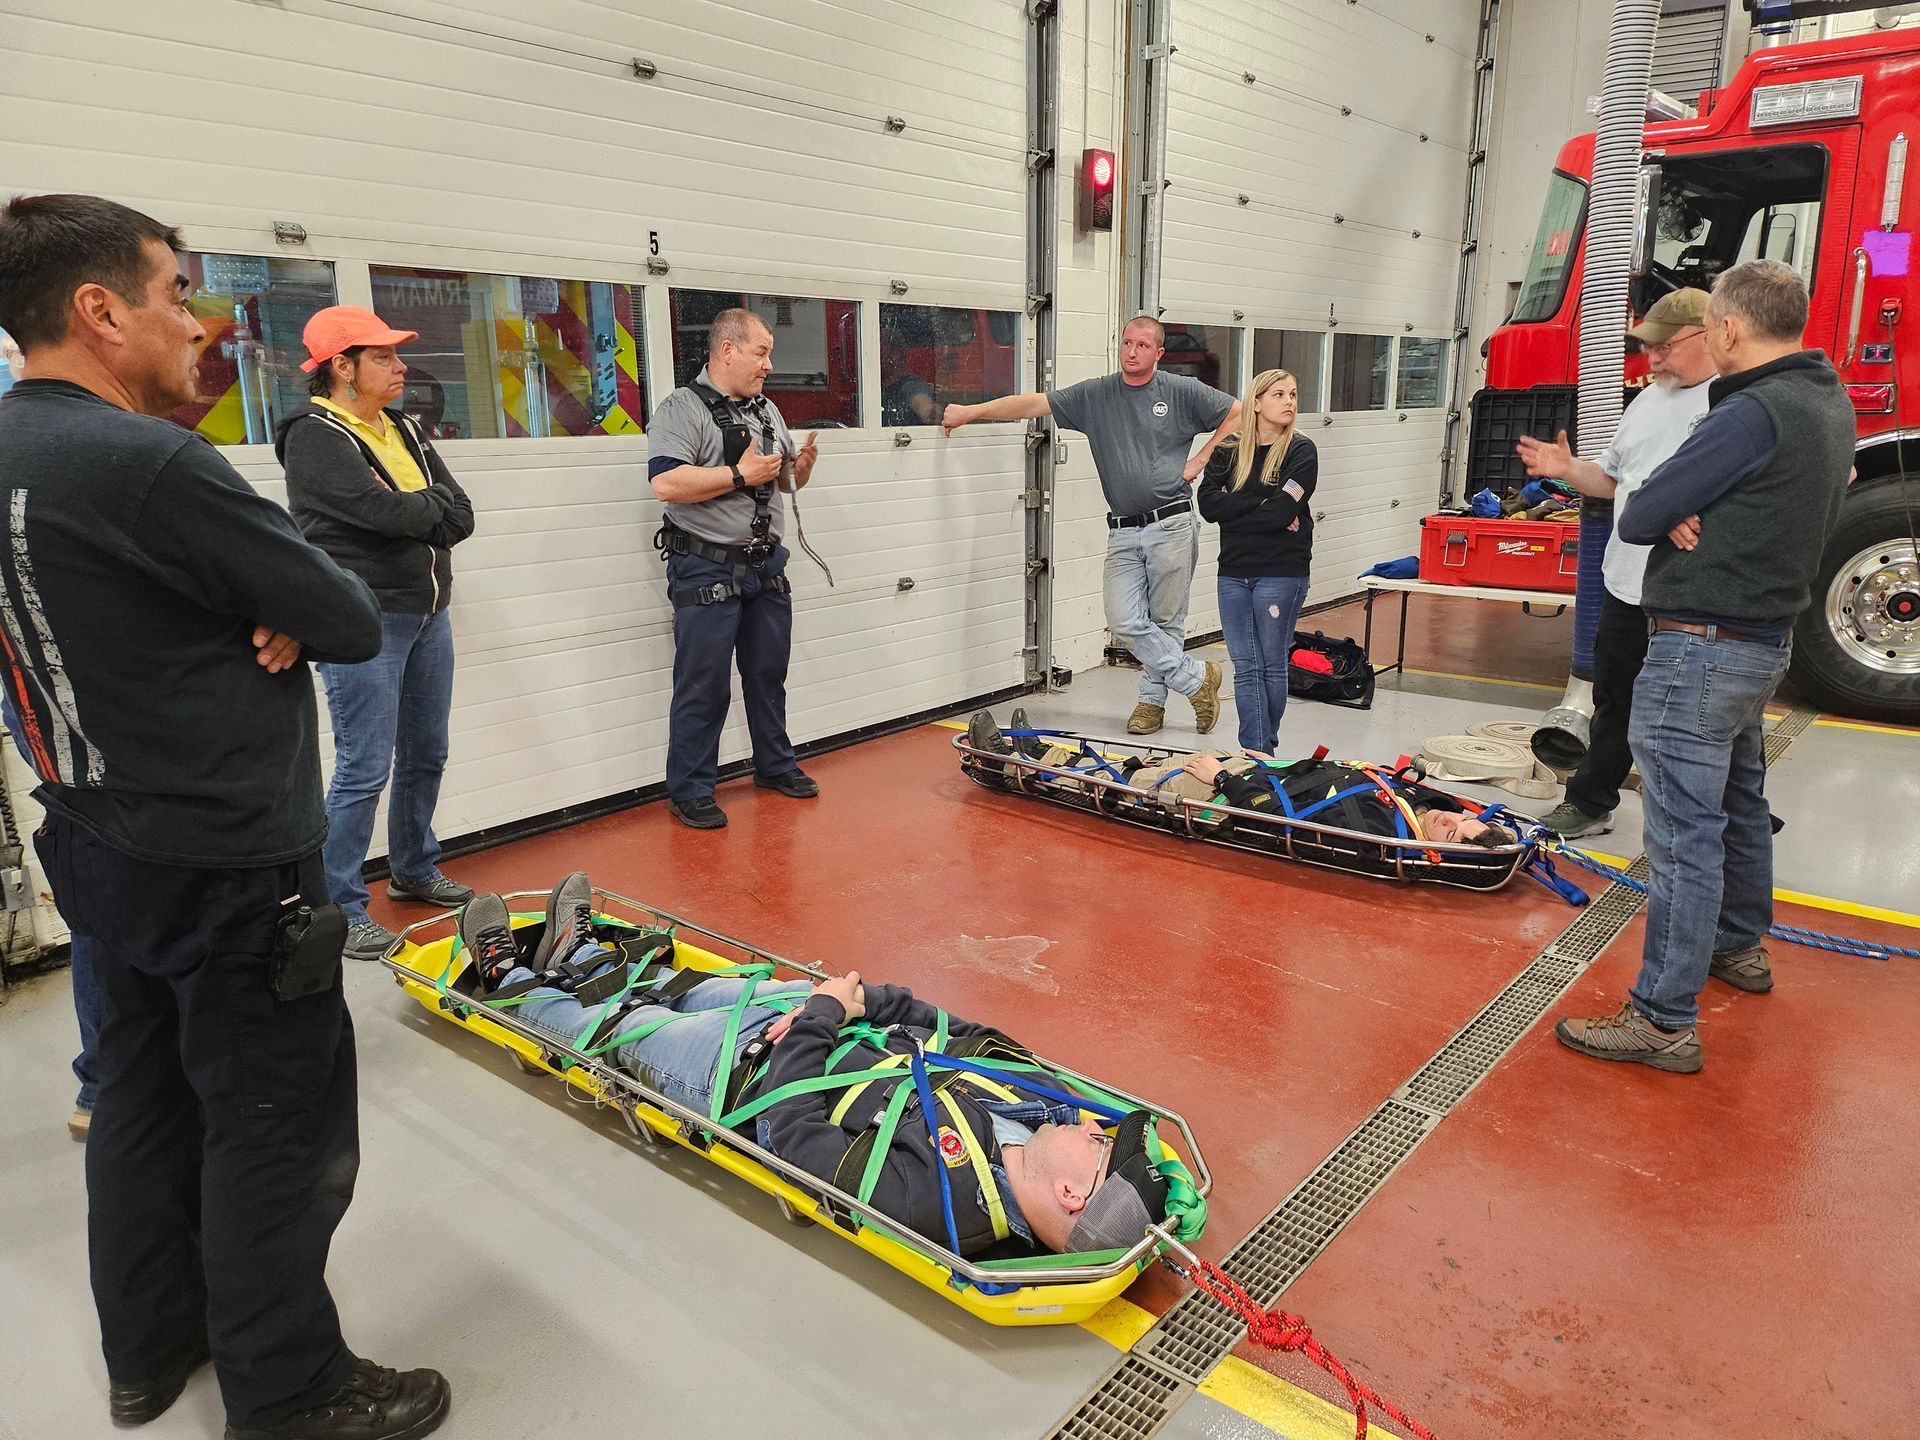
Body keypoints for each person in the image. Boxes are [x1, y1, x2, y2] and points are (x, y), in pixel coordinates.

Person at [0, 193, 448, 1440]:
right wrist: (278, 602)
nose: (195, 324)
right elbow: (346, 613)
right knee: (272, 1122)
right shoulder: (147, 462)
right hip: (227, 862)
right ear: (100, 311)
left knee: (141, 1097)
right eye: (176, 294)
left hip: (96, 836)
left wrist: (254, 604)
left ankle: (150, 1352)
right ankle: (290, 1389)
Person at [457, 875, 1170, 1258]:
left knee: (616, 1029)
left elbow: (793, 1135)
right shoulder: (1045, 1103)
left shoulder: (935, 1206)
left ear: (1071, 1193)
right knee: (680, 985)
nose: (1093, 1125)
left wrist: (820, 1019)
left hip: (739, 1075)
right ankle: (581, 957)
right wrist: (858, 1001)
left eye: (1101, 1146)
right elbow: (963, 1030)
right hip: (820, 1022)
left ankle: (511, 984)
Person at [1555, 261, 1855, 1074]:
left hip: (1700, 647)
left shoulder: (1750, 411)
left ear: (1727, 327)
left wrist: (1680, 503)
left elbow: (1643, 512)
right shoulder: (1827, 397)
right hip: (1762, 642)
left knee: (1685, 835)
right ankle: (1738, 946)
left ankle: (1661, 1018)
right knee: (1739, 802)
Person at [276, 306, 478, 962]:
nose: (400, 367)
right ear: (342, 366)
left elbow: (460, 514)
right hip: (364, 621)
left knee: (426, 752)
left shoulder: (404, 428)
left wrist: (414, 510)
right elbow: (378, 511)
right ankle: (337, 904)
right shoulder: (314, 435)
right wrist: (419, 509)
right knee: (364, 766)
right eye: (384, 357)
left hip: (429, 613)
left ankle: (414, 866)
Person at [943, 316, 1241, 736]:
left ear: (1158, 353)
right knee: (1124, 620)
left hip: (1171, 522)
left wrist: (1200, 459)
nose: (1131, 351)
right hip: (1122, 529)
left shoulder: (1180, 391)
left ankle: (1151, 704)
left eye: (1142, 345)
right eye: (1127, 343)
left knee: (1166, 621)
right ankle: (1197, 679)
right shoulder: (1096, 394)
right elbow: (1032, 405)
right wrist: (972, 412)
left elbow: (1238, 413)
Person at [1516, 287, 1716, 839]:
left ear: (1710, 336)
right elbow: (1612, 480)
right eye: (1648, 346)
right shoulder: (1648, 401)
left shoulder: (1735, 401)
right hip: (1627, 584)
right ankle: (1590, 801)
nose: (1653, 357)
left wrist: (1689, 510)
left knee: (1707, 710)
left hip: (1694, 591)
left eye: (1666, 346)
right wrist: (1567, 468)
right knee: (1615, 698)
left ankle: (1730, 814)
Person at [649, 308, 822, 830]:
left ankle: (775, 765)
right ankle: (690, 790)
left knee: (768, 674)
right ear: (727, 350)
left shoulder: (766, 410)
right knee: (703, 684)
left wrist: (798, 473)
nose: (769, 365)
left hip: (765, 569)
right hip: (706, 568)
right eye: (762, 352)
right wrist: (739, 474)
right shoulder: (682, 409)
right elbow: (667, 484)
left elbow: (780, 481)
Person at [1, 329, 100, 1141]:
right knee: (104, 895)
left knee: (108, 897)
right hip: (70, 724)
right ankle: (106, 1083)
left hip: (81, 715)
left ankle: (114, 1084)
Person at [966, 711, 1511, 846]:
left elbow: (1277, 823)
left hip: (1233, 798)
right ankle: (1041, 752)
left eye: (1451, 834)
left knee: (1134, 788)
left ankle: (1012, 763)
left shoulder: (1377, 830)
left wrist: (1227, 779)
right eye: (1459, 820)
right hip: (1260, 774)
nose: (1449, 821)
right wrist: (1266, 765)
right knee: (1146, 768)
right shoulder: (1411, 804)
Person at [1196, 368, 1317, 753]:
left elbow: (1281, 512)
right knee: (1246, 667)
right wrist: (1262, 503)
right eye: (1279, 394)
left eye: (1292, 394)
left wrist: (1237, 506)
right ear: (1257, 403)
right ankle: (1257, 753)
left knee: (1270, 663)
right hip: (1233, 571)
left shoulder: (1301, 451)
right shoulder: (1228, 450)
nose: (1289, 401)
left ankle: (1260, 751)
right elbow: (1208, 505)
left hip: (1281, 571)